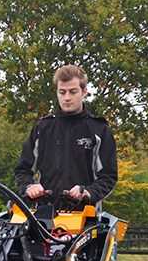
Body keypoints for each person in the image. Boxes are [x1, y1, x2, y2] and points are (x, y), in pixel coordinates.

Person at [14, 64, 118, 207]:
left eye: (72, 92)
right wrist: (29, 187)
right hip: (44, 216)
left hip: (86, 216)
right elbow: (23, 169)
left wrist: (88, 192)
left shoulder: (99, 130)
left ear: (84, 92)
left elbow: (108, 177)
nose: (67, 98)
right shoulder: (42, 128)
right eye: (62, 92)